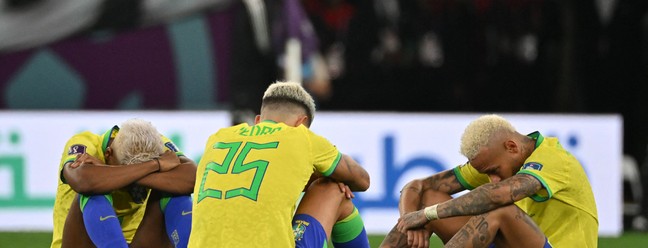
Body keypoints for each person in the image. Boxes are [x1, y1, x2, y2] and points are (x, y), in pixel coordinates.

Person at [188, 81, 370, 247]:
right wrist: (322, 175)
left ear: (258, 120)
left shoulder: (218, 138)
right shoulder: (301, 137)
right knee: (333, 188)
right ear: (301, 122)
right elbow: (362, 180)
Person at [380, 114, 598, 248]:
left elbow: (498, 195)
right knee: (428, 198)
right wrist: (410, 220)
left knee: (500, 209)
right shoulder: (498, 160)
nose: (492, 179)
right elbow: (417, 187)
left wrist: (427, 215)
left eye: (494, 171)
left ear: (512, 147)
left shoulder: (555, 160)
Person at [51, 119, 196, 248]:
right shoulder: (85, 143)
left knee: (175, 192)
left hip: (139, 240)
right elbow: (82, 181)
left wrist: (115, 171)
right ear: (108, 154)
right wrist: (154, 167)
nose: (137, 189)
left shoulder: (153, 143)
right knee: (93, 191)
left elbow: (191, 177)